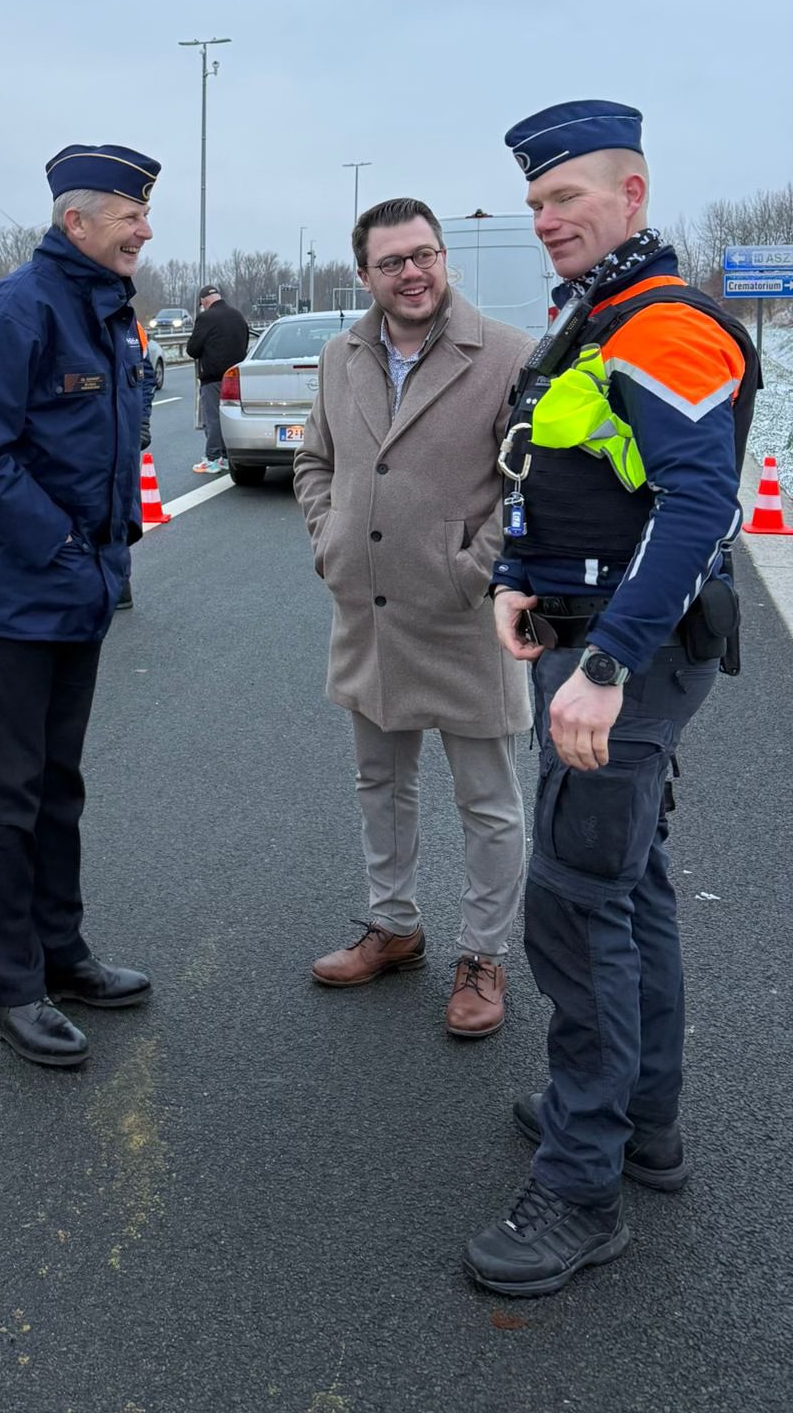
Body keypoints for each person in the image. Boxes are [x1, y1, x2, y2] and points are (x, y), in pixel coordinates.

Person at [463, 101, 758, 1298]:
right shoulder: (601, 316)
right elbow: (568, 471)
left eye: (567, 197)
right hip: (585, 638)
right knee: (626, 888)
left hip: (621, 664)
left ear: (633, 195)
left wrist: (605, 663)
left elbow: (698, 508)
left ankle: (583, 1189)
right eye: (536, 202)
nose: (546, 219)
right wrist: (518, 576)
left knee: (576, 912)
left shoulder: (668, 324)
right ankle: (644, 1123)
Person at [0, 144, 159, 1069]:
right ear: (77, 223)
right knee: (9, 795)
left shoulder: (107, 312)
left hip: (81, 591)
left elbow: (109, 439)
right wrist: (61, 544)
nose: (144, 228)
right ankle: (12, 987)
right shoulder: (20, 308)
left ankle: (62, 953)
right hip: (25, 594)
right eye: (129, 214)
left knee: (60, 785)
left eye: (145, 214)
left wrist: (110, 543)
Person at [294, 197, 534, 1037]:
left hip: (465, 618)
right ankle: (393, 927)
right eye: (392, 261)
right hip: (368, 615)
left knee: (487, 802)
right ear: (365, 275)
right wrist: (330, 542)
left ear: (444, 260)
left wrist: (475, 571)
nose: (413, 272)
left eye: (424, 254)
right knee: (380, 785)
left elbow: (530, 489)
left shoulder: (506, 355)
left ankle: (483, 955)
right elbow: (313, 459)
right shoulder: (339, 355)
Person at [117, 318, 158, 613]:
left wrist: (142, 420)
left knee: (122, 509)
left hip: (125, 435)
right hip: (92, 436)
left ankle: (120, 585)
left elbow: (144, 378)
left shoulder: (133, 327)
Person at [186, 283, 249, 474]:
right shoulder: (237, 316)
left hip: (212, 377)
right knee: (230, 416)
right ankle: (227, 455)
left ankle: (213, 457)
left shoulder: (206, 317)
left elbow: (192, 349)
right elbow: (245, 339)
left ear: (204, 301)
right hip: (235, 377)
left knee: (212, 418)